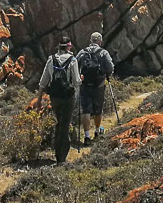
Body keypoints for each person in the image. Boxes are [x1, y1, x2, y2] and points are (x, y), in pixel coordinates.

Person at [35, 36, 80, 165]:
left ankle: (57, 154)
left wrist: (39, 99)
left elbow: (43, 82)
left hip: (54, 97)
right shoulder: (73, 60)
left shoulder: (51, 60)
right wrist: (81, 79)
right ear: (69, 47)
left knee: (59, 123)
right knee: (65, 125)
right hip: (68, 97)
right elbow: (76, 81)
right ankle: (61, 159)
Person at [76, 32, 114, 145]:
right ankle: (97, 132)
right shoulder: (103, 53)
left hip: (85, 85)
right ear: (100, 41)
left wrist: (78, 77)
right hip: (99, 85)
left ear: (90, 40)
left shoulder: (82, 52)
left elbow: (74, 65)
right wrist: (106, 74)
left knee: (85, 110)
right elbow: (110, 67)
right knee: (98, 110)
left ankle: (87, 136)